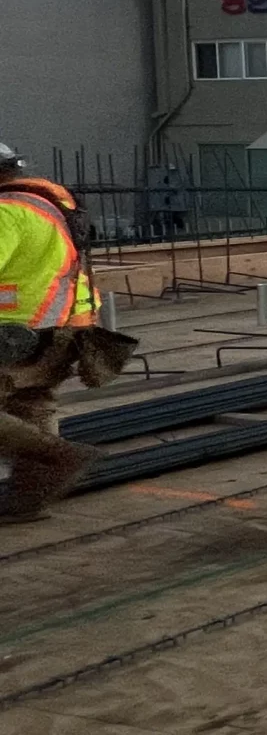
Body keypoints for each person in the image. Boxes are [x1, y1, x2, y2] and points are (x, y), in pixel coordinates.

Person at [0, 144, 135, 523]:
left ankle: (58, 455)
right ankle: (29, 499)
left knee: (28, 404)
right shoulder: (49, 205)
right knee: (31, 402)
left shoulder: (7, 212)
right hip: (59, 326)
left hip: (15, 330)